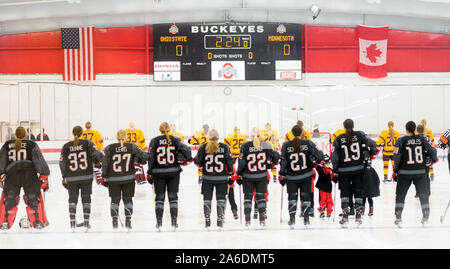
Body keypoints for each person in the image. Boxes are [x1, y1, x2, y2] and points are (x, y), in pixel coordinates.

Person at [0, 127, 50, 230]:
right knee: (33, 198)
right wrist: (44, 176)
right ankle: (37, 222)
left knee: (9, 199)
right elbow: (39, 163)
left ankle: (4, 222)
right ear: (25, 135)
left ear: (15, 135)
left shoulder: (7, 145)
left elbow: (1, 164)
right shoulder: (32, 145)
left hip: (12, 176)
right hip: (29, 176)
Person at [331, 119, 377, 228]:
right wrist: (371, 152)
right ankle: (358, 216)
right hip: (358, 169)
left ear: (343, 126)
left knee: (345, 192)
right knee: (358, 191)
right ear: (353, 125)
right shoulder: (360, 135)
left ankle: (345, 215)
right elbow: (373, 144)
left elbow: (334, 156)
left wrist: (335, 170)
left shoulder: (338, 138)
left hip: (344, 171)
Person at [147, 122, 192, 231]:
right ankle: (174, 221)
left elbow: (151, 158)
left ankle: (159, 222)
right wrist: (187, 159)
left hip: (158, 173)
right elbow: (187, 150)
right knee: (173, 197)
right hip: (173, 172)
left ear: (160, 130)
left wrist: (149, 172)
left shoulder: (154, 141)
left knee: (159, 198)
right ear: (169, 130)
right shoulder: (175, 139)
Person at [100, 129, 148, 230]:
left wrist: (104, 177)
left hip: (113, 180)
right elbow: (144, 156)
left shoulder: (109, 148)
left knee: (114, 200)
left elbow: (104, 164)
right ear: (126, 137)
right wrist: (139, 160)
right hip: (129, 179)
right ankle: (128, 221)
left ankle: (114, 221)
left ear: (116, 137)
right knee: (128, 200)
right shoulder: (132, 146)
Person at [392, 121, 437, 227]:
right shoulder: (423, 139)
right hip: (420, 172)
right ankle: (426, 213)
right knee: (423, 194)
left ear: (406, 129)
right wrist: (432, 160)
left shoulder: (400, 140)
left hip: (404, 173)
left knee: (400, 195)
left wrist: (395, 170)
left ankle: (398, 215)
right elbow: (433, 151)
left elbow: (396, 156)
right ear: (415, 129)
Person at [279, 125, 324, 228]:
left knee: (292, 198)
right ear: (302, 133)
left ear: (292, 133)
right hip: (306, 176)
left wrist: (281, 174)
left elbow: (283, 161)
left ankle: (292, 219)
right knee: (306, 198)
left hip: (291, 177)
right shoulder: (308, 143)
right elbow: (319, 155)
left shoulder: (286, 144)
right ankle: (306, 219)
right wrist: (314, 160)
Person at [59, 126, 103, 231]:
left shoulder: (66, 146)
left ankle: (72, 222)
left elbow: (62, 163)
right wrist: (97, 161)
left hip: (71, 178)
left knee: (72, 199)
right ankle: (86, 222)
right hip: (86, 177)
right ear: (82, 133)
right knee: (86, 198)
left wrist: (64, 176)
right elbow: (98, 155)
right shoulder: (88, 143)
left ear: (72, 133)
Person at [236, 128, 280, 227]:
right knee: (261, 197)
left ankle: (247, 219)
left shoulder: (245, 145)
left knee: (248, 198)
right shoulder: (265, 144)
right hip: (262, 176)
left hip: (248, 176)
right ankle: (262, 219)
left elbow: (241, 162)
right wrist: (270, 162)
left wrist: (239, 174)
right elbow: (276, 157)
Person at [194, 129, 234, 229]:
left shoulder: (204, 146)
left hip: (207, 178)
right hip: (222, 178)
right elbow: (230, 162)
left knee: (207, 199)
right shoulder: (224, 147)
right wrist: (230, 173)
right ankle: (220, 219)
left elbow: (198, 161)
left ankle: (207, 219)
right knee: (221, 199)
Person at [224, 126, 247, 219]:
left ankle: (222, 214)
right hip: (240, 153)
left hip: (233, 153)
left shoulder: (230, 135)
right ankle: (234, 211)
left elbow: (226, 144)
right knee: (231, 197)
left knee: (222, 198)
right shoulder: (243, 136)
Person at [315, 154, 335, 219]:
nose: (328, 164)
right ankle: (322, 212)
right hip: (322, 188)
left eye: (329, 163)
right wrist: (317, 162)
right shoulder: (320, 169)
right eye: (326, 163)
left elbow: (333, 178)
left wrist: (336, 176)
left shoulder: (331, 170)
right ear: (323, 163)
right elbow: (316, 166)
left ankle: (329, 212)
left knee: (329, 201)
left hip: (329, 188)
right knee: (322, 201)